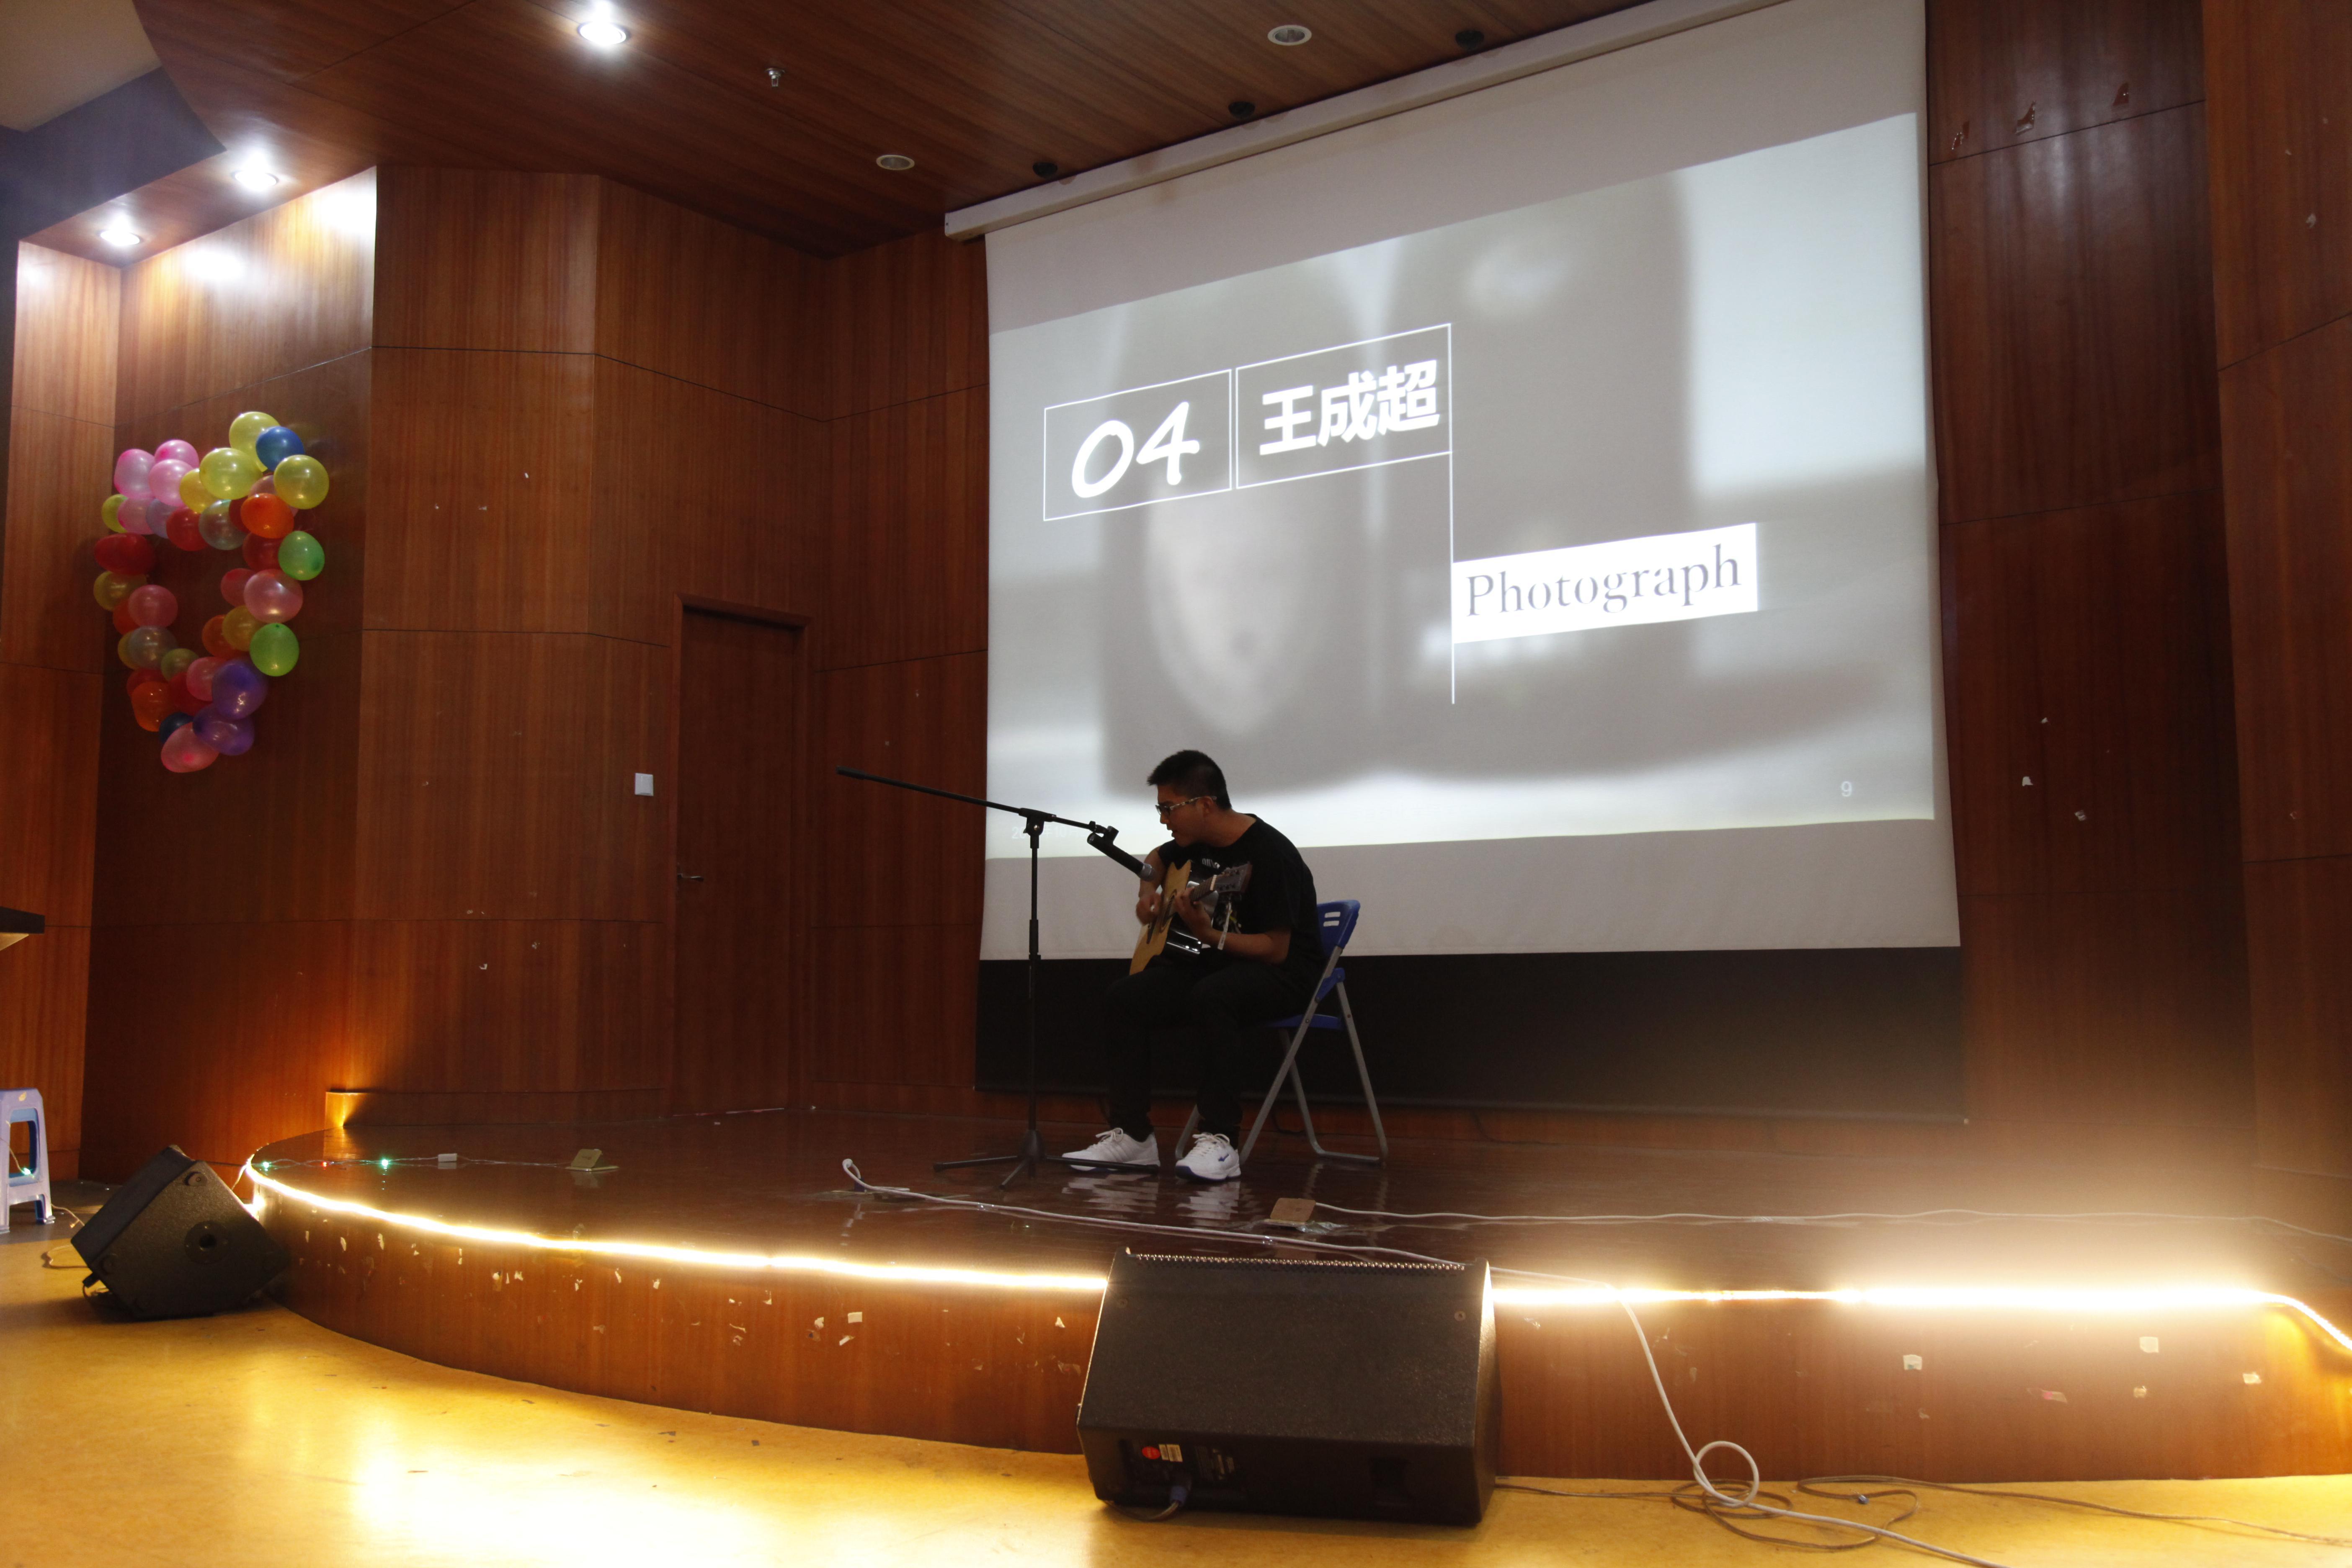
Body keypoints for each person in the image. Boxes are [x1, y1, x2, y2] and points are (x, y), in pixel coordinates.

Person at [1063, 750, 1323, 1182]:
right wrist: (1148, 893)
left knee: (1214, 995)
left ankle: (1221, 1140)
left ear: (1204, 805)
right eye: (1160, 809)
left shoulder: (1271, 854)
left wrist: (1208, 934)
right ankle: (1134, 1137)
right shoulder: (1194, 841)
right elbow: (1155, 859)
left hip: (1284, 975)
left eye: (1169, 809)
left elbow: (1277, 949)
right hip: (1218, 963)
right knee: (1124, 998)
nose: (1164, 820)